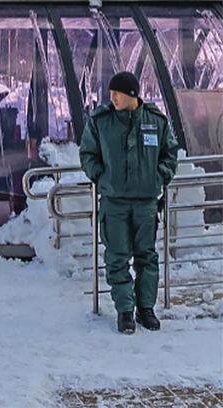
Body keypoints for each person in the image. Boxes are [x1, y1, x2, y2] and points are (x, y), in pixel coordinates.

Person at [80, 71, 178, 335]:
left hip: (146, 203)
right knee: (117, 258)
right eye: (111, 93)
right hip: (114, 203)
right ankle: (125, 310)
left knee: (146, 257)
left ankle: (146, 308)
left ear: (132, 95)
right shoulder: (101, 121)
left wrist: (159, 176)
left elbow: (170, 154)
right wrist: (101, 177)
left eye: (117, 93)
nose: (111, 98)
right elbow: (88, 153)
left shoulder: (155, 121)